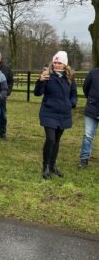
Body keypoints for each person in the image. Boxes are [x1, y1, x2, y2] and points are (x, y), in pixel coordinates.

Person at [34, 51, 77, 179]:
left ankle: (53, 165)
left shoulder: (70, 78)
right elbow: (37, 93)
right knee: (51, 139)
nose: (57, 65)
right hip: (48, 112)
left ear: (65, 64)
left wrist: (71, 104)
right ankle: (45, 166)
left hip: (63, 113)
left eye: (59, 63)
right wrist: (40, 81)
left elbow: (73, 94)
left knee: (57, 140)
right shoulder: (47, 76)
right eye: (55, 62)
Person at [78, 67, 99, 168]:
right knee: (88, 136)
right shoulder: (93, 73)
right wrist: (91, 100)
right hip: (92, 108)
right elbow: (85, 87)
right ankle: (84, 159)